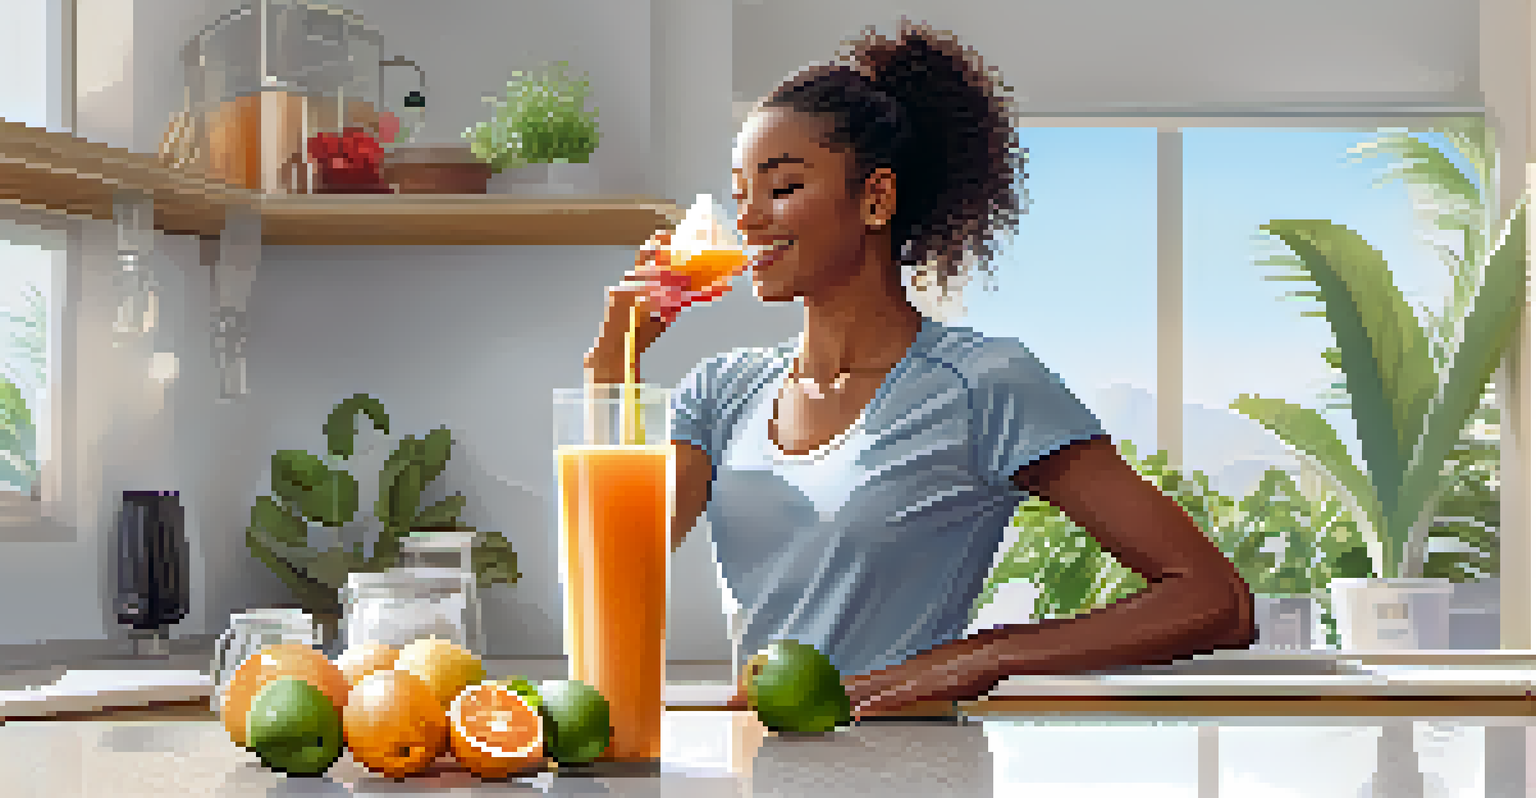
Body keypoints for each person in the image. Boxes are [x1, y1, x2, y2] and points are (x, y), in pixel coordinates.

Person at [584, 19, 1255, 718]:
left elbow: (1215, 598)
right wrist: (613, 360)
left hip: (913, 763)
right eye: (739, 190)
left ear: (875, 199)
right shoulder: (722, 391)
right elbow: (611, 571)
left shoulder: (984, 383)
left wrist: (986, 655)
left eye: (781, 187)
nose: (747, 217)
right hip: (763, 761)